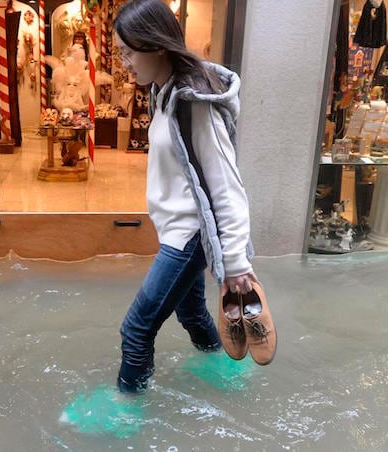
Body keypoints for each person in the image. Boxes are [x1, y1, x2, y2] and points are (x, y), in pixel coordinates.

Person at [113, 0, 257, 394]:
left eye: (128, 52)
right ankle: (226, 371)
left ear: (155, 45)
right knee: (192, 313)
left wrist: (236, 262)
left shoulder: (193, 102)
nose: (124, 62)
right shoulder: (163, 91)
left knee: (137, 328)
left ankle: (126, 410)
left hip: (188, 236)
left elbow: (226, 184)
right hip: (176, 229)